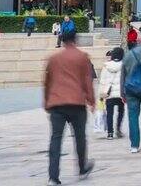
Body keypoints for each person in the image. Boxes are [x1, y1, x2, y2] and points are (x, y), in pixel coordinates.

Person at [43, 30, 95, 185]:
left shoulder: (53, 58)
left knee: (56, 139)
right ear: (75, 40)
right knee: (80, 137)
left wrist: (47, 101)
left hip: (57, 103)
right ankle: (82, 168)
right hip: (77, 103)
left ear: (62, 40)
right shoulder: (82, 57)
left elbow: (47, 81)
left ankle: (53, 176)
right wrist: (91, 100)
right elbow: (87, 80)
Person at [99, 46, 125, 139]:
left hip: (109, 93)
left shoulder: (106, 66)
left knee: (109, 113)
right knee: (121, 111)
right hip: (120, 93)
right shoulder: (124, 65)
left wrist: (101, 94)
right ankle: (118, 128)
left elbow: (102, 81)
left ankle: (110, 133)